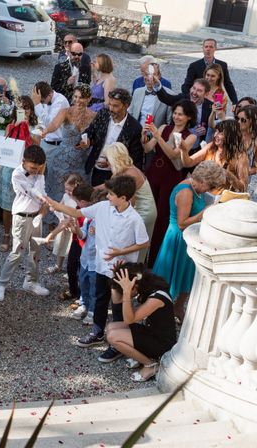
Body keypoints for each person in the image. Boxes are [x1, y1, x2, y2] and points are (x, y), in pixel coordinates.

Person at [46, 176, 149, 362]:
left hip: (120, 269)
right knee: (100, 298)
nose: (107, 196)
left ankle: (117, 343)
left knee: (117, 306)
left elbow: (143, 242)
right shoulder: (103, 208)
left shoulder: (135, 219)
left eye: (111, 194)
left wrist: (121, 251)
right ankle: (98, 332)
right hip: (101, 265)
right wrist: (53, 203)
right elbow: (77, 213)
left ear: (124, 198)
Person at [153, 161, 226, 322]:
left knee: (187, 275)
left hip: (188, 237)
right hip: (178, 239)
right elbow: (182, 223)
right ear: (203, 180)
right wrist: (204, 213)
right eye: (209, 186)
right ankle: (161, 311)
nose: (209, 190)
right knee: (171, 278)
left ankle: (177, 307)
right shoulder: (186, 192)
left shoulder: (194, 187)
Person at [143, 100, 198, 265]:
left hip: (171, 176)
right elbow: (147, 149)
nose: (176, 117)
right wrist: (145, 136)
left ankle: (154, 260)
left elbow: (174, 155)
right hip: (154, 171)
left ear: (188, 117)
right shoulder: (163, 127)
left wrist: (158, 137)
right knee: (147, 211)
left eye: (180, 114)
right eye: (175, 113)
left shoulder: (191, 136)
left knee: (162, 216)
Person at [0, 145, 50, 302]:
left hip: (36, 216)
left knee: (36, 251)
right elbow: (35, 193)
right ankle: (1, 283)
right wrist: (41, 177)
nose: (35, 171)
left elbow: (42, 191)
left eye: (39, 168)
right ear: (24, 161)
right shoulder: (17, 174)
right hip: (22, 216)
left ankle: (30, 281)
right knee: (17, 252)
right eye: (33, 167)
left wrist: (40, 175)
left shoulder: (39, 174)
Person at [108, 263, 176, 380]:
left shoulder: (157, 297)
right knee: (110, 327)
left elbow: (129, 319)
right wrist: (115, 278)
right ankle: (142, 356)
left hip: (162, 343)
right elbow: (116, 300)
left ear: (134, 285)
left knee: (113, 336)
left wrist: (126, 292)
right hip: (151, 332)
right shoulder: (148, 288)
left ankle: (150, 365)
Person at [42, 84, 96, 214]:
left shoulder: (94, 115)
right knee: (58, 190)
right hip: (63, 158)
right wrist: (45, 131)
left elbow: (96, 137)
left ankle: (77, 221)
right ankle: (53, 224)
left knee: (79, 193)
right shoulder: (66, 112)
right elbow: (54, 125)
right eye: (75, 96)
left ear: (89, 99)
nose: (77, 100)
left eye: (81, 97)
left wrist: (89, 143)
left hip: (83, 161)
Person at [0, 96, 38, 252]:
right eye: (21, 108)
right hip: (10, 169)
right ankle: (7, 234)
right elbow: (5, 145)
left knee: (25, 204)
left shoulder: (36, 127)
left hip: (27, 171)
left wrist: (26, 128)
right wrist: (17, 126)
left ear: (31, 110)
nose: (24, 111)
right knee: (8, 205)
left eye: (27, 108)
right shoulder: (10, 126)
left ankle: (22, 235)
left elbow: (36, 145)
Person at [103, 142, 157, 263]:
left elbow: (129, 202)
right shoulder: (123, 170)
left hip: (144, 211)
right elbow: (109, 186)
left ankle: (133, 271)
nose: (106, 161)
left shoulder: (130, 174)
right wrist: (93, 189)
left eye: (108, 158)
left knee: (134, 243)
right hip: (137, 208)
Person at [80, 88, 144, 186]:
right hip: (94, 168)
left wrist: (112, 163)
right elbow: (90, 132)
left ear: (126, 106)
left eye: (115, 106)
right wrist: (86, 140)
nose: (111, 109)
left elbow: (135, 158)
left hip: (116, 174)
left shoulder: (135, 128)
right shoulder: (103, 114)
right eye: (110, 104)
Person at [180, 119, 249, 193]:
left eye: (221, 133)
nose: (215, 135)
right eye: (216, 131)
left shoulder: (240, 156)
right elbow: (188, 163)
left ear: (231, 136)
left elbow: (243, 188)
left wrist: (228, 174)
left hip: (222, 201)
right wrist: (183, 150)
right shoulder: (210, 147)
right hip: (203, 194)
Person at [67, 184, 98, 323]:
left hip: (96, 261)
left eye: (78, 202)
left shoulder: (99, 219)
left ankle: (93, 310)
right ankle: (84, 304)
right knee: (83, 281)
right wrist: (76, 230)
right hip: (85, 258)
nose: (77, 205)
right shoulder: (86, 218)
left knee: (94, 286)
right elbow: (83, 235)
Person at [155, 75, 211, 147]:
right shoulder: (183, 98)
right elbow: (167, 99)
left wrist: (205, 129)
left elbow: (213, 126)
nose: (194, 92)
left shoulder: (210, 107)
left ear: (206, 94)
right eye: (193, 88)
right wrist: (157, 85)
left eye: (199, 91)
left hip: (196, 147)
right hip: (175, 144)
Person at [181, 38, 238, 106]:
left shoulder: (222, 65)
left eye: (211, 47)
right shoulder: (194, 66)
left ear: (215, 48)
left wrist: (235, 102)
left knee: (217, 112)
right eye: (206, 47)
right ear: (203, 48)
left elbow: (228, 84)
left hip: (216, 95)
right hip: (199, 99)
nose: (208, 49)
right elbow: (186, 85)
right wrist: (190, 100)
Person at [32, 81, 70, 159]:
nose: (42, 103)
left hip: (56, 145)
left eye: (42, 101)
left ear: (49, 95)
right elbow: (43, 120)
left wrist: (37, 104)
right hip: (46, 142)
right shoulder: (48, 100)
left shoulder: (60, 101)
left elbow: (50, 123)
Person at [129, 63, 172, 128]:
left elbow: (169, 123)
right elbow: (130, 114)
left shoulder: (168, 95)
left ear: (159, 77)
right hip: (136, 132)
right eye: (147, 74)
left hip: (155, 135)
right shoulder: (137, 92)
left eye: (153, 74)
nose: (149, 78)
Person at [235, 104, 257, 178]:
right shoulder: (231, 134)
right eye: (237, 118)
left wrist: (241, 172)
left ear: (252, 121)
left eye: (243, 120)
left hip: (241, 182)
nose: (238, 122)